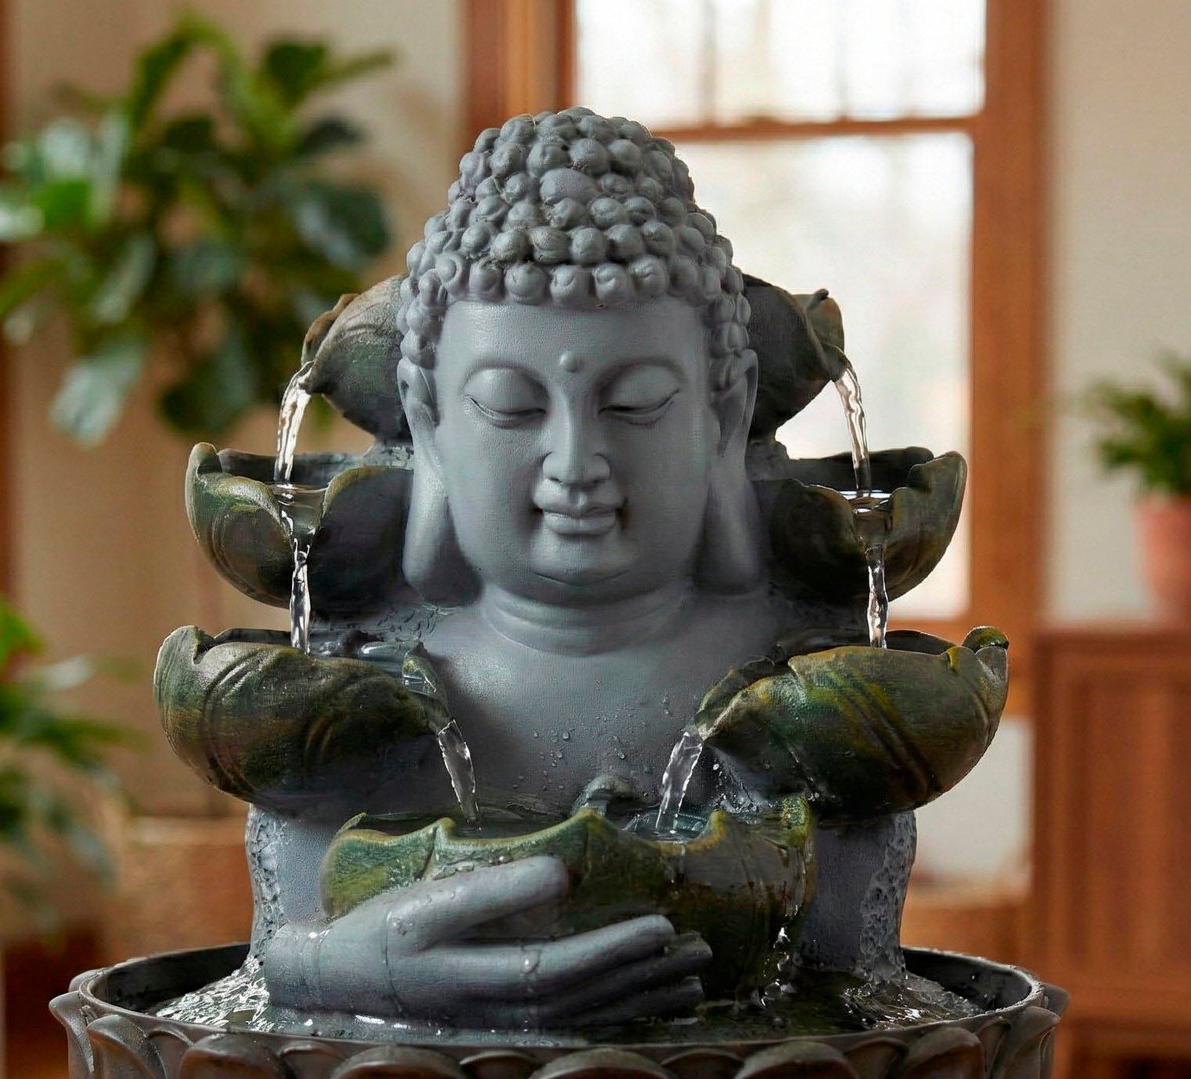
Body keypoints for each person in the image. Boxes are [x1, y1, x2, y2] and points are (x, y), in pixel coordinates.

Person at [251, 111, 908, 1029]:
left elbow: (860, 985)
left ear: (723, 416)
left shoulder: (810, 694)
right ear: (429, 420)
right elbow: (271, 962)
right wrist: (343, 975)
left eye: (634, 404)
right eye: (511, 406)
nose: (575, 462)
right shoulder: (354, 687)